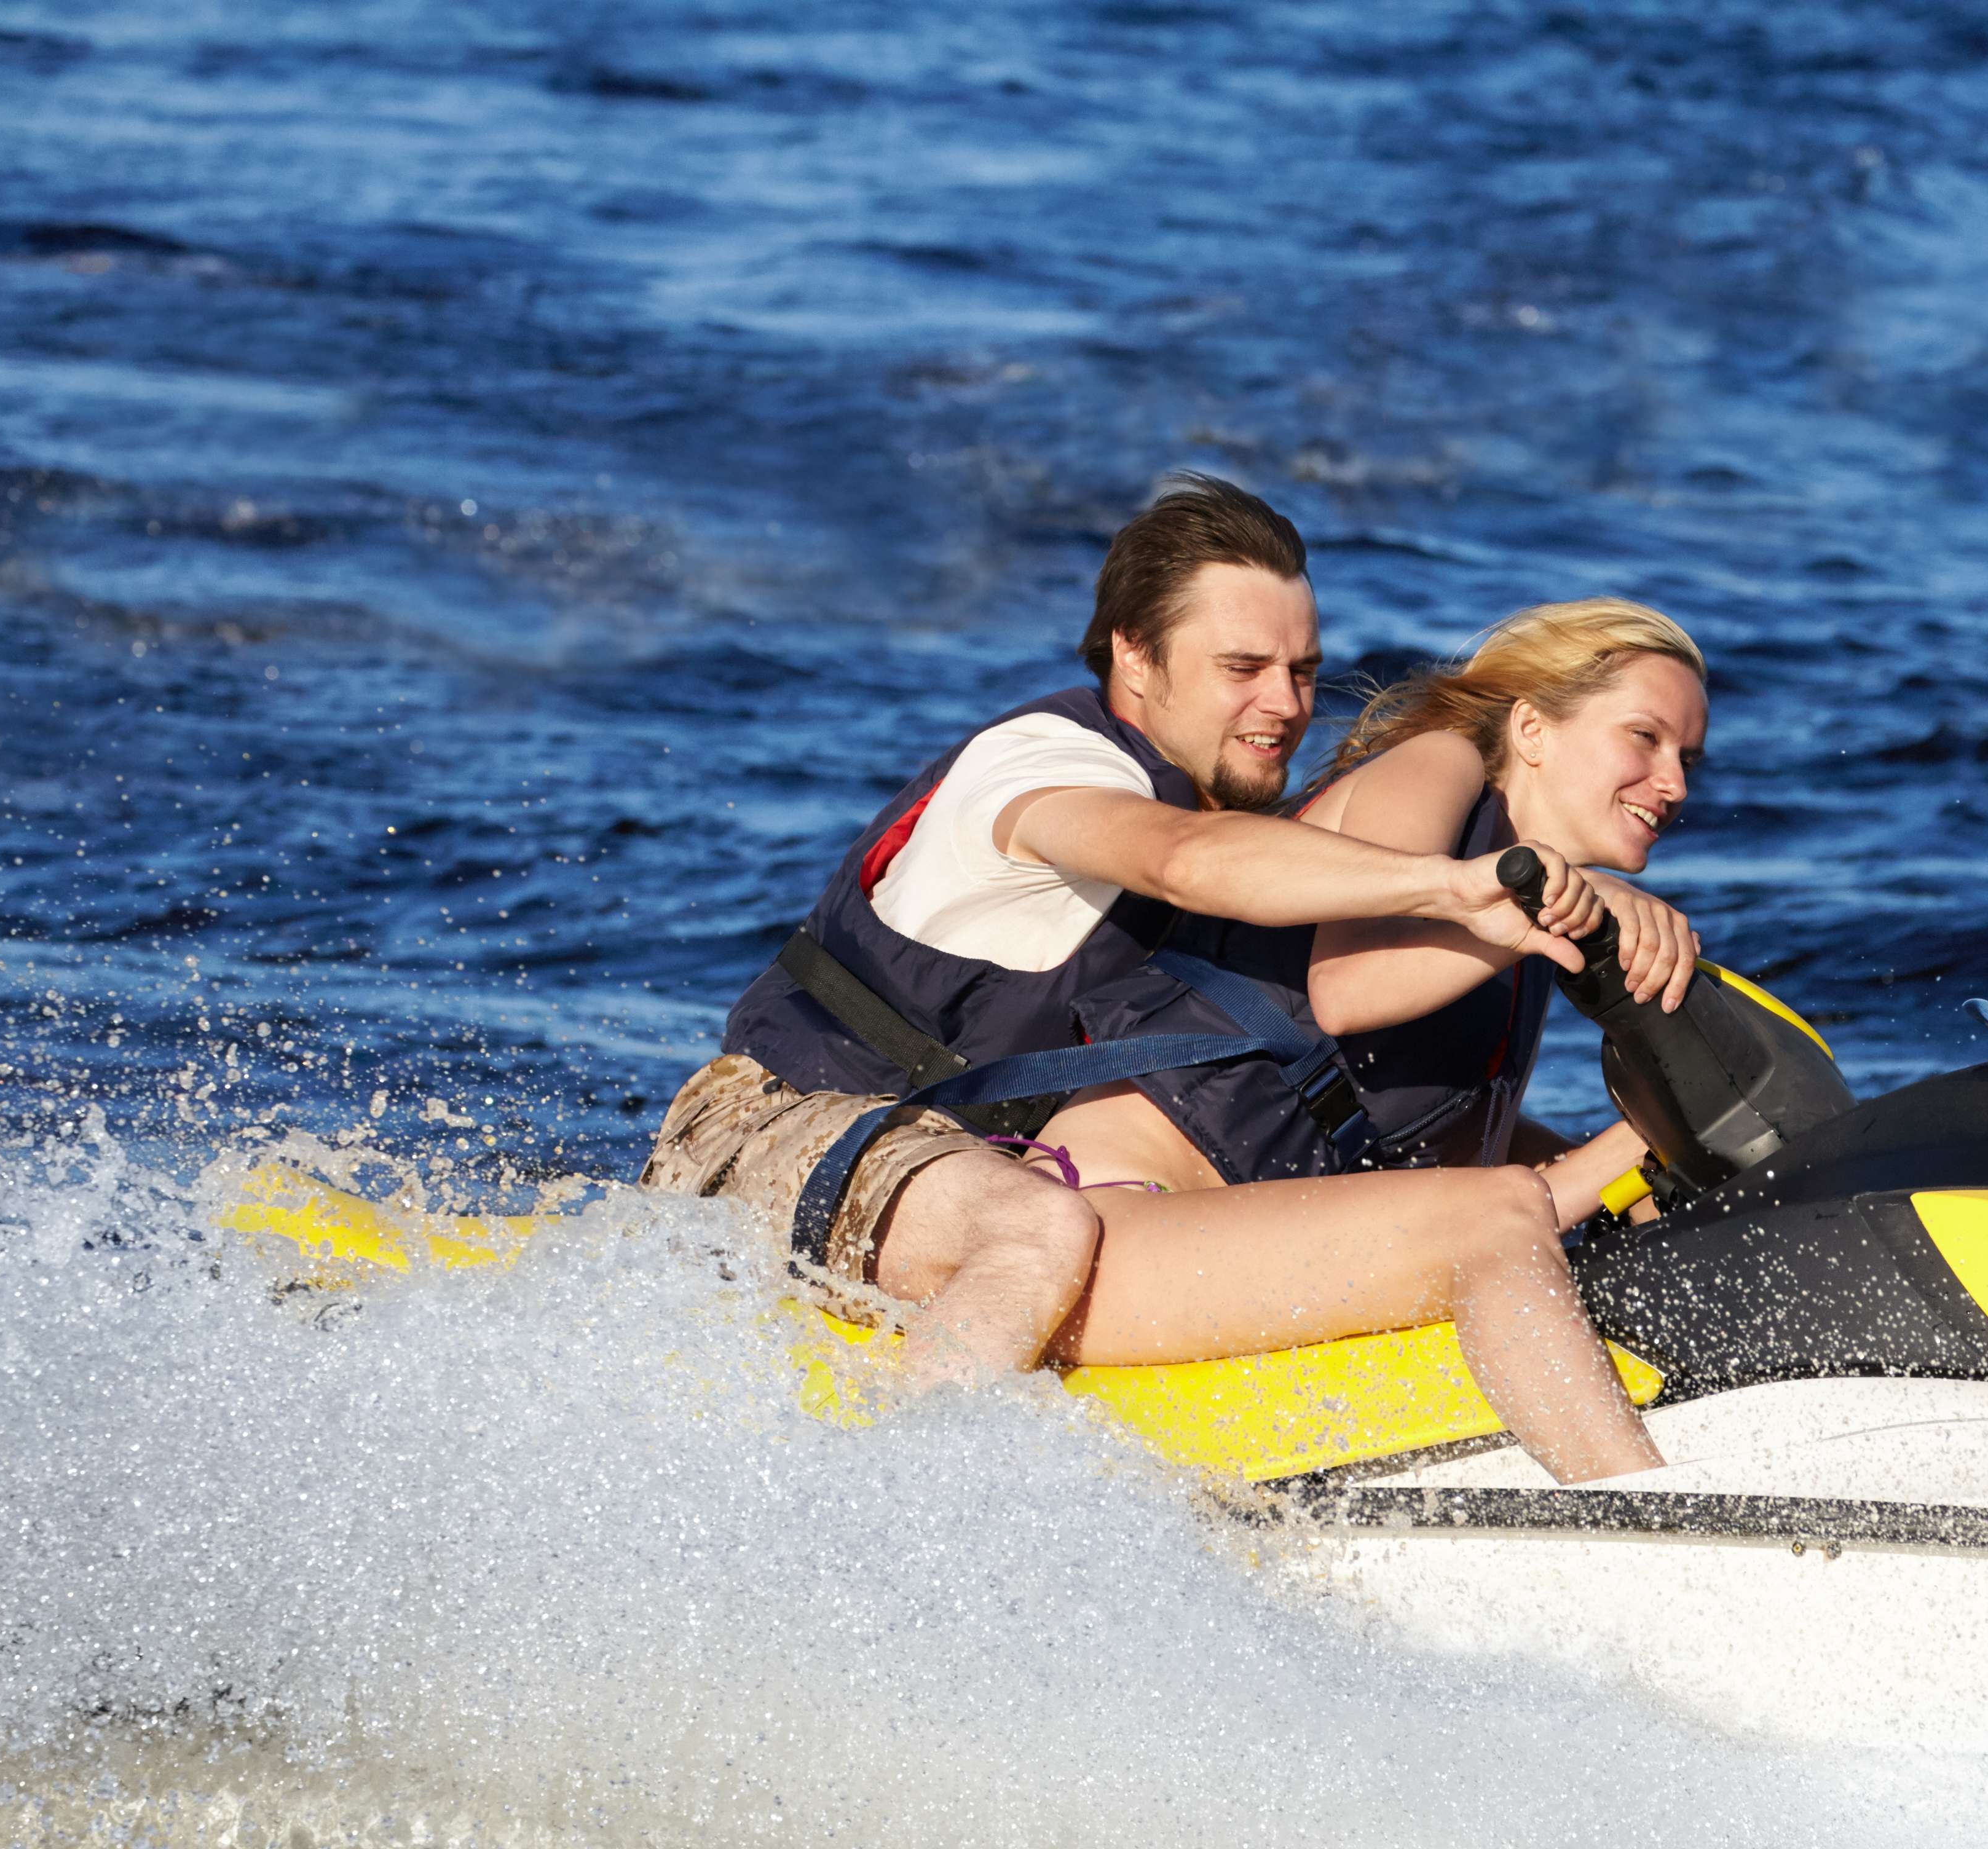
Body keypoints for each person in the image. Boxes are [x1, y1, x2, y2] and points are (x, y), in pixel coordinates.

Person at [641, 475, 1671, 1481]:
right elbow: (1181, 861)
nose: (1285, 704)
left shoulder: (1240, 831)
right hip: (778, 1131)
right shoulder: (1047, 761)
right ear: (1134, 654)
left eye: (1303, 671)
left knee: (1054, 1216)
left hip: (972, 1174)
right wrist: (1461, 889)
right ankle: (884, 1512)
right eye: (1243, 667)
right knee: (1038, 1227)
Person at [1290, 599, 1708, 1229]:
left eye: (1688, 760)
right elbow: (1345, 992)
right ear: (1532, 729)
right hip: (1197, 1195)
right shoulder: (1438, 764)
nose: (1675, 785)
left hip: (1331, 1213)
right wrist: (1654, 1138)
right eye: (1645, 737)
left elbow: (1465, 1147)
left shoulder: (1533, 929)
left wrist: (1650, 1186)